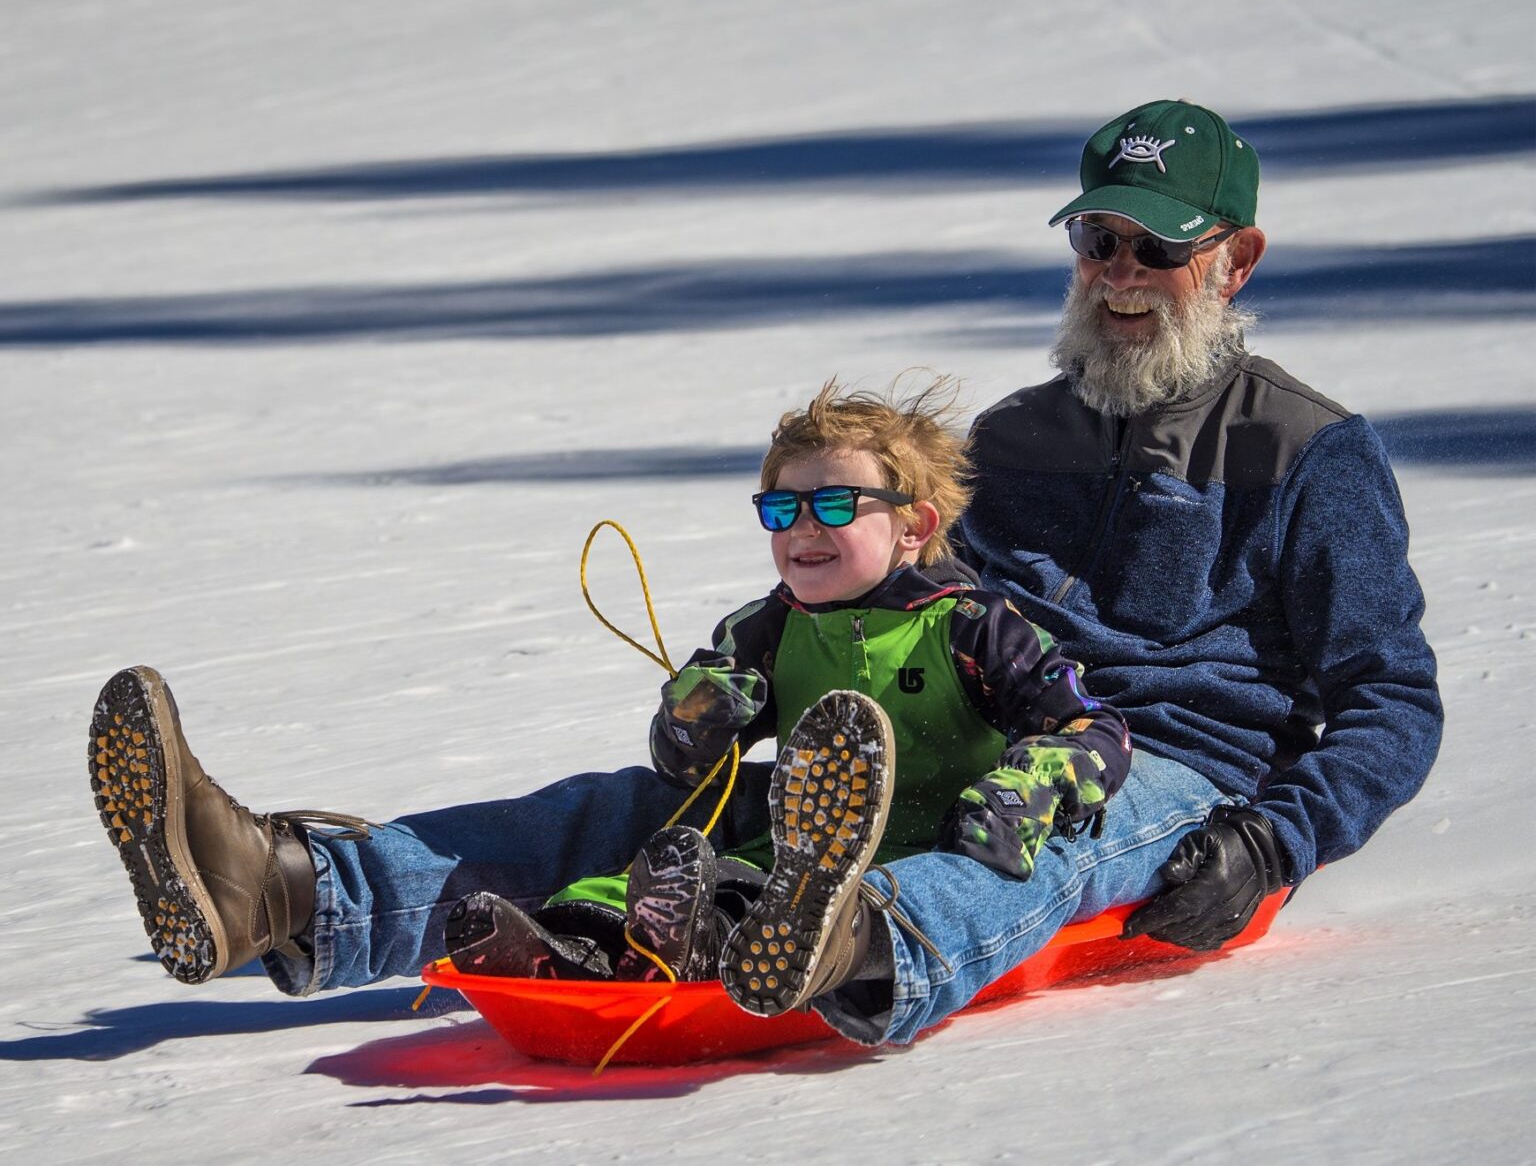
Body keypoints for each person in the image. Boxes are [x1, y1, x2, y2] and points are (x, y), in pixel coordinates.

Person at [89, 98, 1441, 1050]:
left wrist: (1274, 836)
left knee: (1039, 833)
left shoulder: (1312, 452)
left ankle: (851, 939)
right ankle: (291, 886)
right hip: (952, 721)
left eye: (1159, 247)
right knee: (645, 805)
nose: (1124, 275)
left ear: (1235, 259)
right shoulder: (1016, 439)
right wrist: (744, 689)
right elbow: (911, 606)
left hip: (1161, 771)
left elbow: (1390, 700)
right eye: (1101, 241)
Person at [436, 381, 1132, 1021]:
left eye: (833, 505)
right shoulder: (765, 627)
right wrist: (693, 722)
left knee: (768, 902)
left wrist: (1027, 785)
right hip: (803, 849)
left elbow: (1095, 731)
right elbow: (682, 768)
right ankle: (573, 942)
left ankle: (703, 937)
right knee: (688, 870)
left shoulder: (973, 626)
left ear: (914, 528)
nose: (802, 529)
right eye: (781, 508)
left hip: (937, 854)